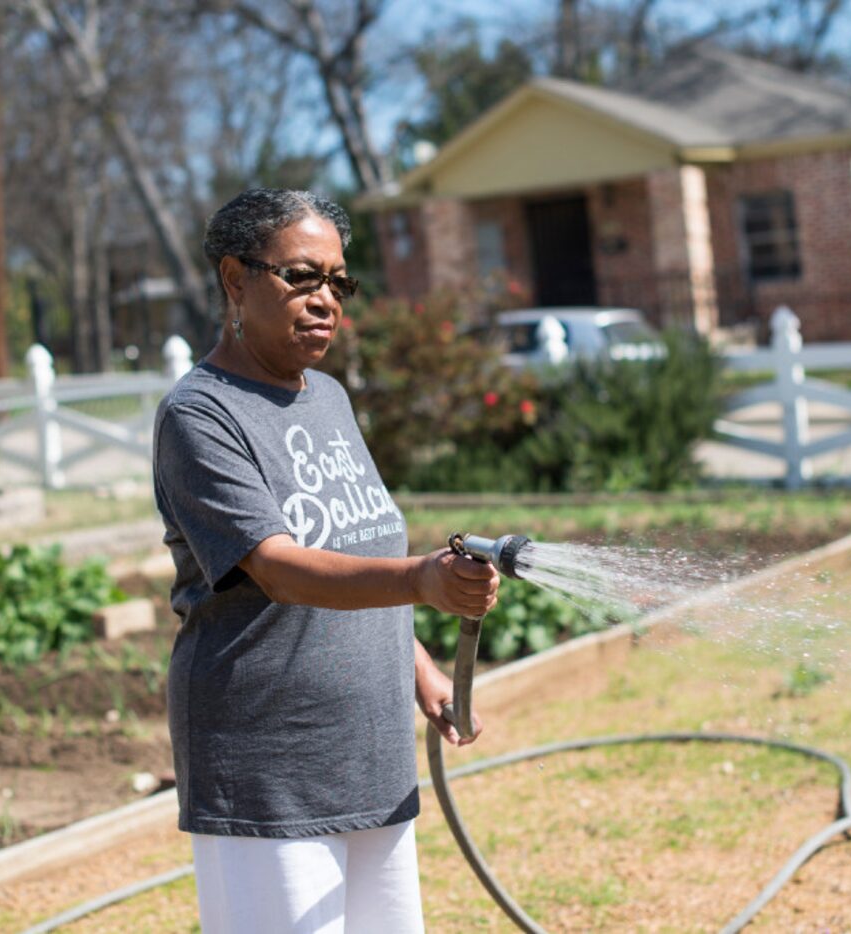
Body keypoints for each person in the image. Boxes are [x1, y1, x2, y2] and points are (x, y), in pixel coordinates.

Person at [153, 188, 498, 933]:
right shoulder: (201, 414)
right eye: (300, 277)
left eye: (339, 283)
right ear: (234, 279)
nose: (325, 300)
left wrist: (416, 665)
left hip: (370, 753)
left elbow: (351, 546)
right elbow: (277, 566)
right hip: (268, 762)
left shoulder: (330, 399)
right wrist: (423, 579)